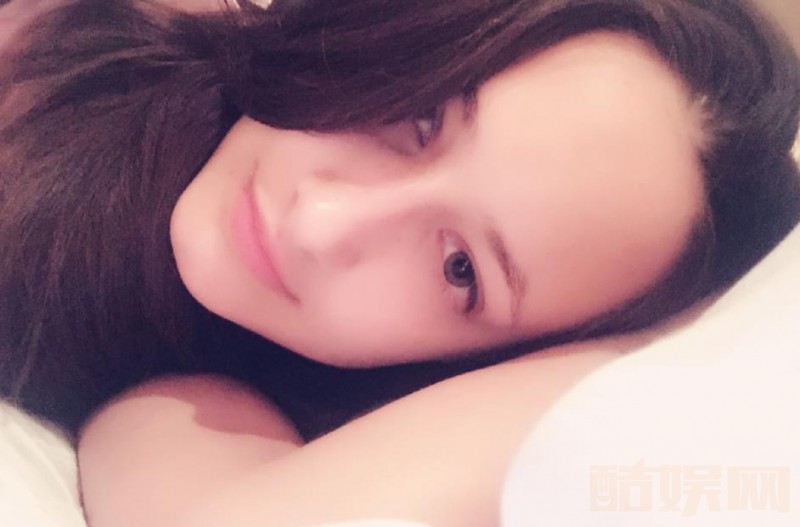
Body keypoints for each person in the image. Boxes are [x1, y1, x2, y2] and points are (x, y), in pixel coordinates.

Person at [0, 0, 798, 524]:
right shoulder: (80, 30)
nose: (322, 221)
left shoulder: (204, 406)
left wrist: (676, 341)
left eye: (461, 270)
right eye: (419, 117)